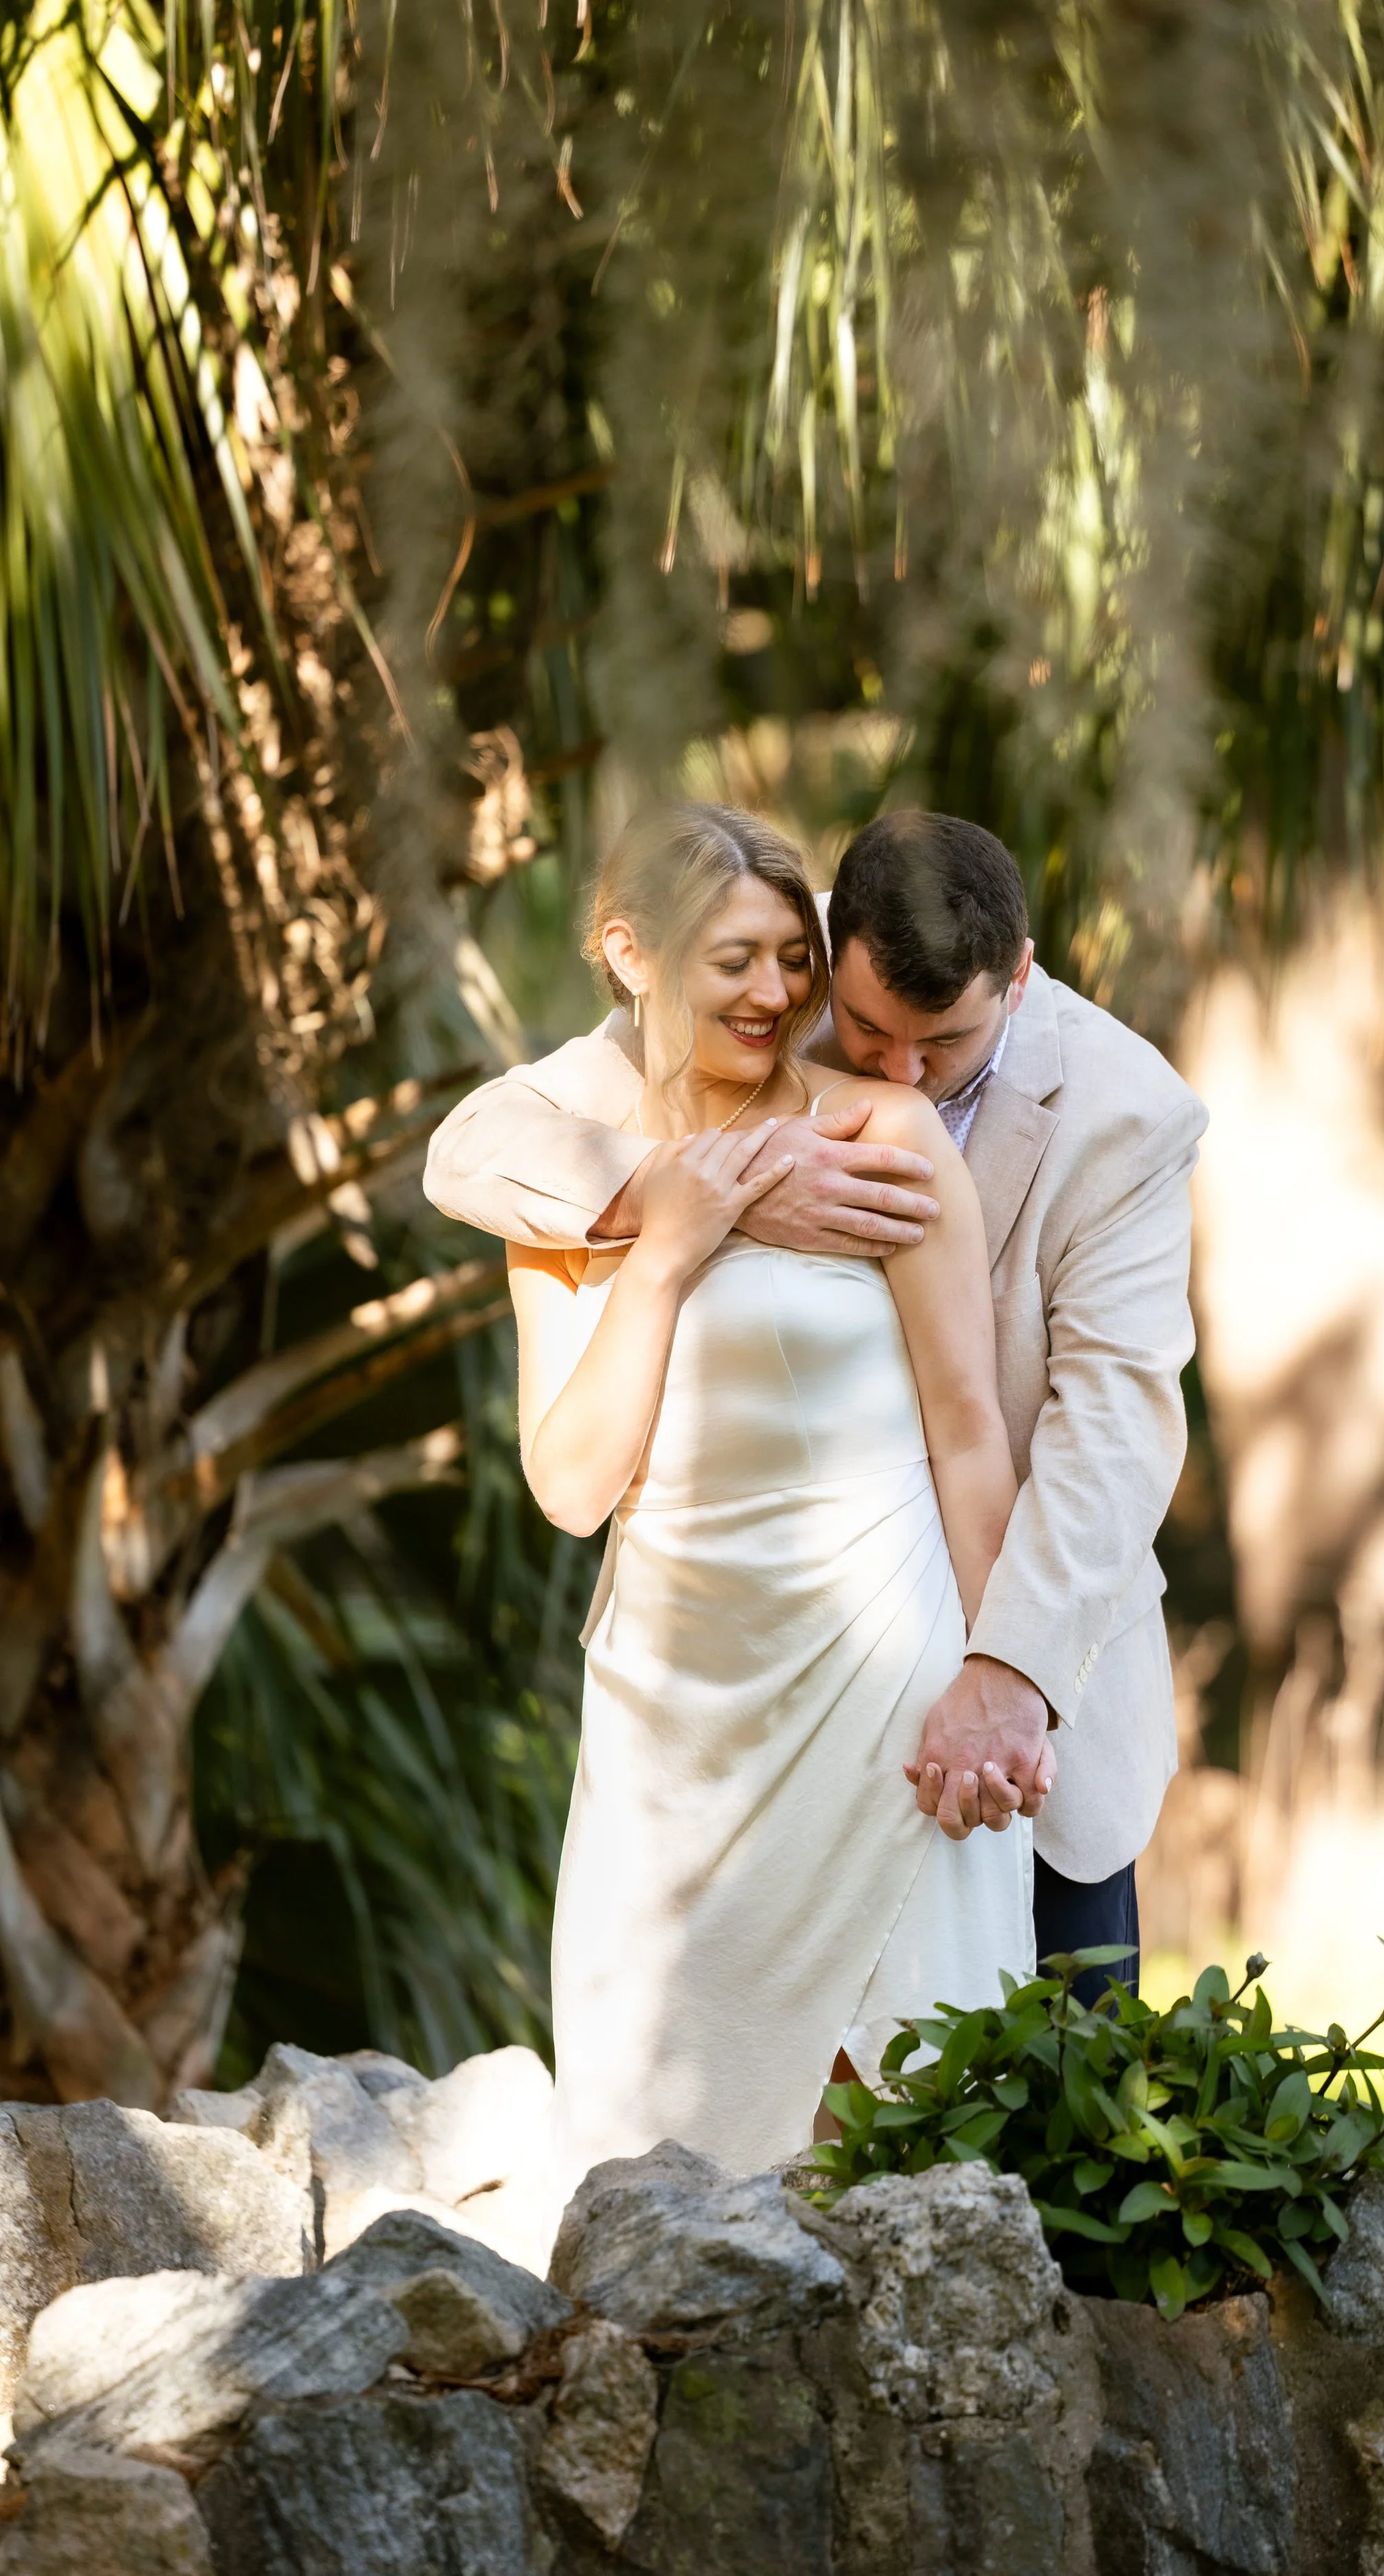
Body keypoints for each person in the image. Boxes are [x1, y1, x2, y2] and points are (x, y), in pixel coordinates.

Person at [427, 806, 1207, 2006]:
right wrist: (713, 1192)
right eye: (867, 1028)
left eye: (942, 1044)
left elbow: (1111, 1431)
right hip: (727, 1682)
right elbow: (472, 1147)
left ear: (1022, 976)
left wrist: (1008, 1674)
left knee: (1049, 2100)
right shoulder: (760, 987)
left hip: (1027, 1665)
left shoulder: (1127, 1112)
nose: (896, 1072)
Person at [501, 804, 1034, 2197]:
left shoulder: (885, 1131)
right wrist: (670, 1250)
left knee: (902, 2160)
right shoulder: (570, 1185)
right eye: (734, 959)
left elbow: (969, 1436)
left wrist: (1001, 1674)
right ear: (634, 957)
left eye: (792, 958)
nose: (775, 995)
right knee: (648, 2161)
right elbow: (567, 1487)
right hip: (673, 1714)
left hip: (876, 1696)